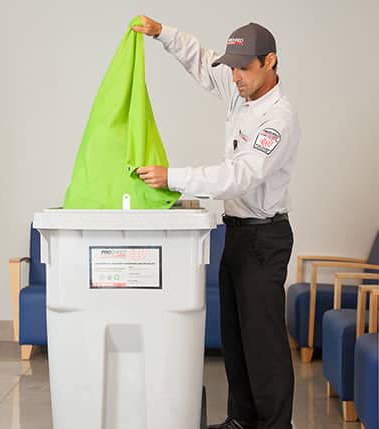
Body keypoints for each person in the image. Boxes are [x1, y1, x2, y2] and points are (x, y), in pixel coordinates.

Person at [133, 16, 299, 429]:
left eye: (244, 67)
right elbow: (201, 60)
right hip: (237, 234)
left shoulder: (277, 118)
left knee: (265, 345)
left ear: (270, 61)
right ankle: (240, 420)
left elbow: (239, 176)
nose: (235, 76)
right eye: (233, 67)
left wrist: (173, 177)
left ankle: (276, 426)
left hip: (265, 240)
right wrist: (161, 34)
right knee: (236, 338)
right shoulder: (240, 91)